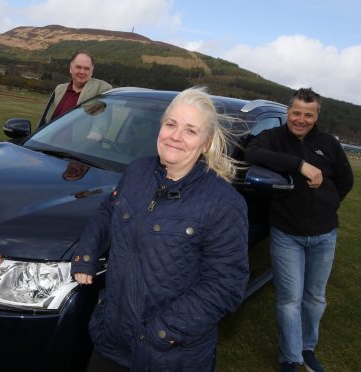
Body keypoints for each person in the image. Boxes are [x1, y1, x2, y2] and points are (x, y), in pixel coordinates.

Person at [71, 87, 250, 371]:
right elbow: (108, 211)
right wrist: (86, 252)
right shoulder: (137, 171)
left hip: (168, 354)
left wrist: (160, 332)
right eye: (171, 124)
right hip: (111, 341)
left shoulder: (224, 204)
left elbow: (225, 286)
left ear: (206, 142)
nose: (176, 136)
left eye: (191, 131)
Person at [244, 88, 354, 372]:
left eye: (308, 114)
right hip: (286, 234)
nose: (301, 120)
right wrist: (300, 165)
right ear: (287, 112)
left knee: (315, 298)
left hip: (324, 235)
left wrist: (328, 205)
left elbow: (345, 180)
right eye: (296, 113)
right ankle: (291, 358)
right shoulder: (274, 138)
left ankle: (307, 348)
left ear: (316, 116)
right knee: (289, 299)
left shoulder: (328, 144)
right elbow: (252, 151)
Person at [43, 50, 112, 125]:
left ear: (92, 71)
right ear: (71, 68)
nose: (82, 72)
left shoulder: (101, 88)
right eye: (78, 67)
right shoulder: (59, 89)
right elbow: (47, 118)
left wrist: (95, 132)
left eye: (86, 68)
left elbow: (102, 119)